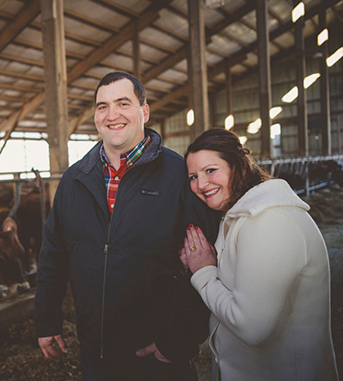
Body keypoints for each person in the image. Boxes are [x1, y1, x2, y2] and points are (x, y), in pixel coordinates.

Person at [34, 71, 220, 380]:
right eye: (102, 106)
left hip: (159, 356)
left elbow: (206, 262)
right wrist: (47, 320)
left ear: (144, 111)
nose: (112, 115)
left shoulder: (178, 175)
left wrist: (175, 341)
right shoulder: (75, 179)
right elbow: (53, 255)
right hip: (96, 354)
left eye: (123, 103)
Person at [182, 128, 339, 381]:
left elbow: (249, 327)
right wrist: (203, 259)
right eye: (193, 176)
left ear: (240, 168)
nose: (200, 184)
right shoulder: (240, 216)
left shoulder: (270, 220)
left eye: (210, 170)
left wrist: (204, 272)